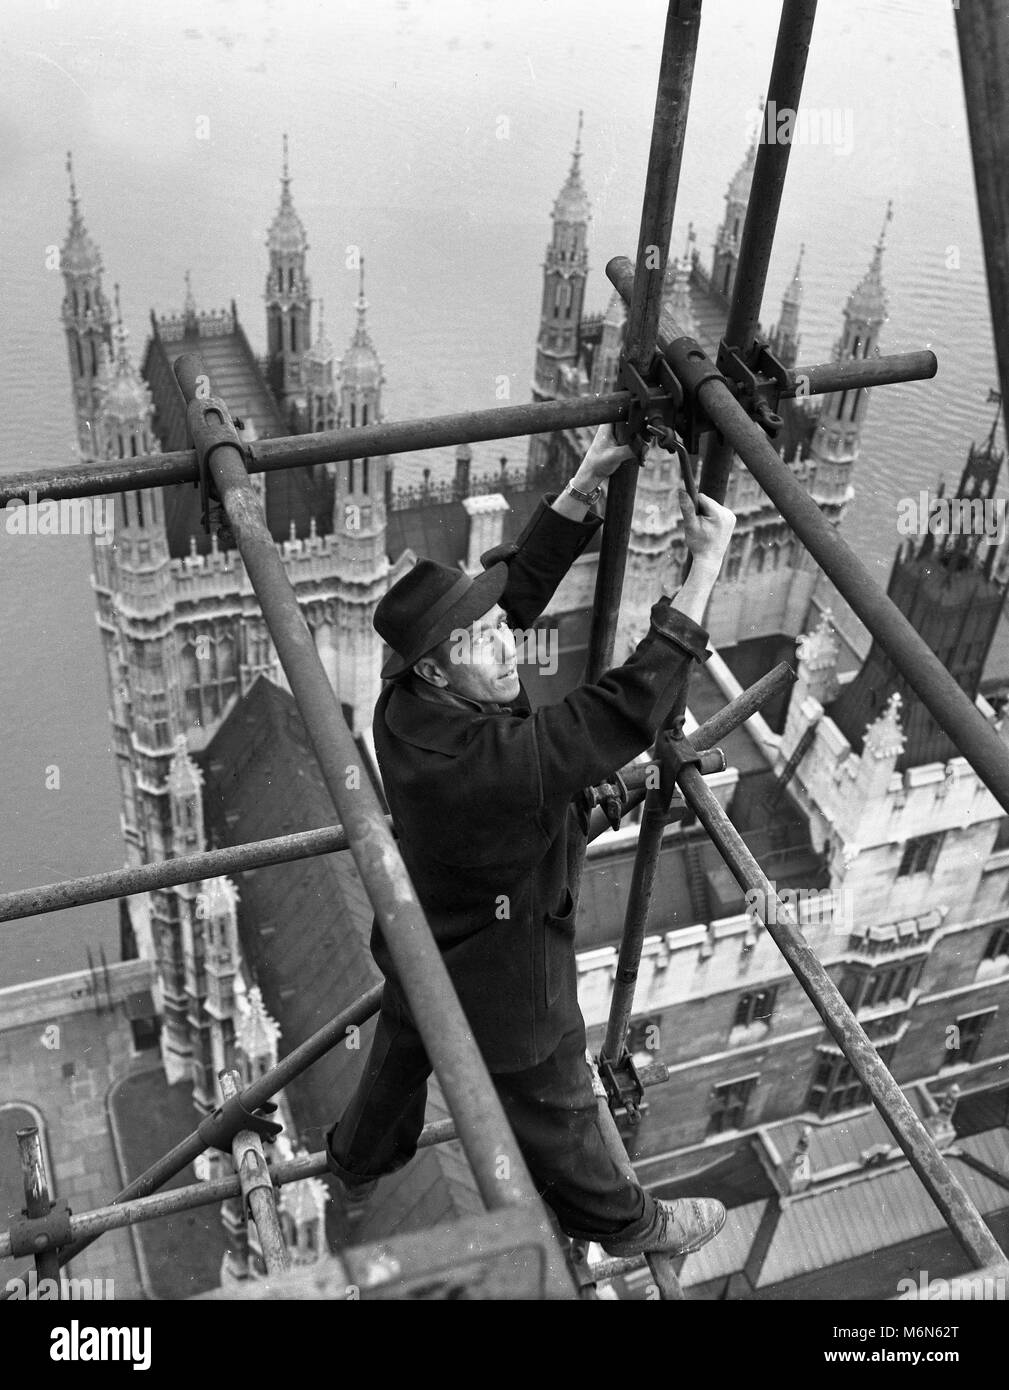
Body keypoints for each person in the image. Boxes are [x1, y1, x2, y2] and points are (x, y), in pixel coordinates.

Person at [326, 424, 736, 1258]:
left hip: (426, 931)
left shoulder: (410, 701)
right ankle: (631, 1227)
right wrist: (704, 571)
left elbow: (502, 598)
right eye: (480, 643)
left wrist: (582, 486)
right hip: (509, 978)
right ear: (439, 668)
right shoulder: (476, 761)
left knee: (405, 1047)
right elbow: (615, 715)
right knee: (558, 1109)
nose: (506, 643)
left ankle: (355, 1161)